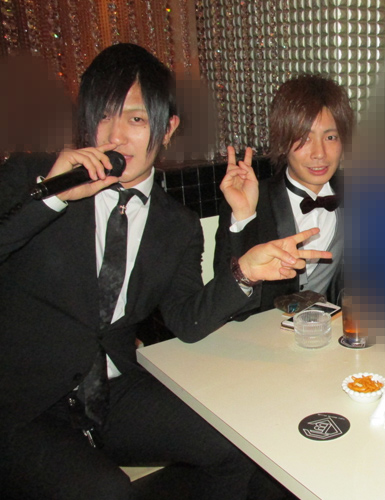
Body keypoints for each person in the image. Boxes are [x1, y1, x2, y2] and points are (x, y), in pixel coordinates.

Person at [0, 43, 330, 500]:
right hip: (25, 402)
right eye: (103, 116)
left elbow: (186, 320)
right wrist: (52, 195)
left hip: (113, 393)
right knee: (106, 491)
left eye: (135, 119)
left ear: (168, 127)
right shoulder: (34, 177)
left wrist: (245, 271)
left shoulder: (176, 224)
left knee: (238, 447)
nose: (115, 137)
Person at [215, 74, 353, 318]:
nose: (319, 153)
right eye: (303, 138)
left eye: (331, 137)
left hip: (331, 333)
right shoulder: (252, 201)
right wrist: (244, 218)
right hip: (264, 337)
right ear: (282, 142)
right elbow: (230, 308)